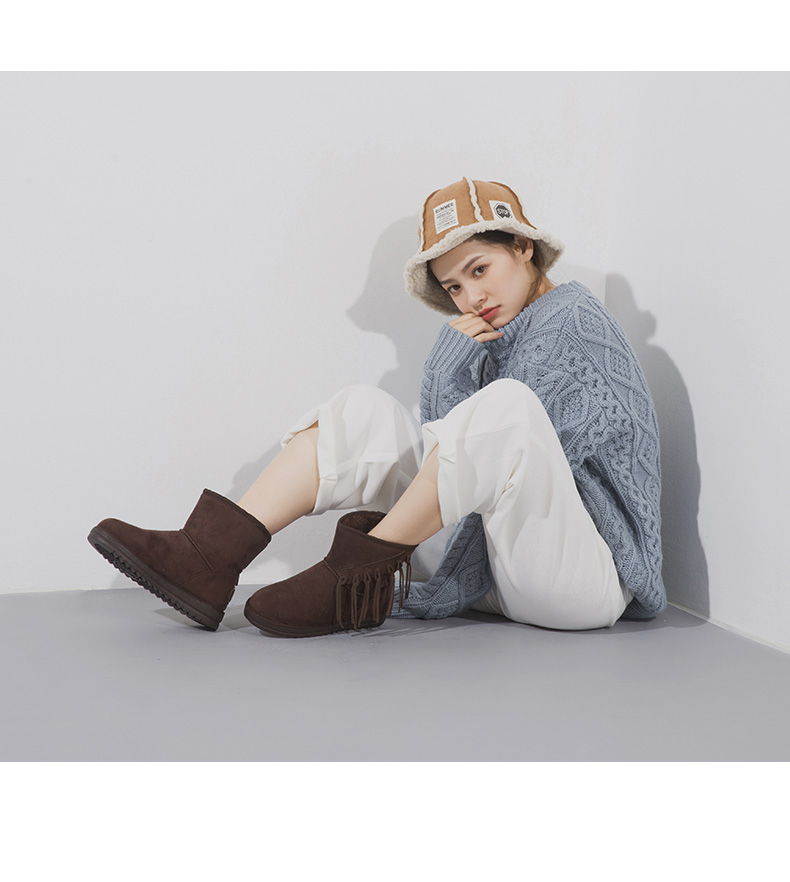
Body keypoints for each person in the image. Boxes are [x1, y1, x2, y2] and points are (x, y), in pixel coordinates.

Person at [88, 177, 665, 638]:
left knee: (507, 406)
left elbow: (502, 448)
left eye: (479, 269)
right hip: (499, 564)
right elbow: (459, 462)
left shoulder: (571, 321)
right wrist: (446, 369)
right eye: (454, 287)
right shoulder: (497, 333)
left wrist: (451, 377)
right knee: (364, 410)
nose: (472, 298)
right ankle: (208, 557)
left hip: (581, 580)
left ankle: (352, 579)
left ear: (522, 247)